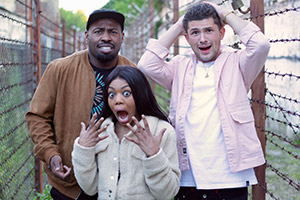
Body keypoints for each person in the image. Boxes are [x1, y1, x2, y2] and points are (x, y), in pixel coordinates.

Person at [138, 1, 270, 200]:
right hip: (188, 177)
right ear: (186, 37)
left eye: (209, 30)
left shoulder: (238, 63)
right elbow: (147, 64)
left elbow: (260, 44)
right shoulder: (178, 66)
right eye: (195, 32)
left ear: (222, 33)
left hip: (230, 177)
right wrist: (179, 24)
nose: (203, 39)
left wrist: (226, 14)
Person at [26, 9, 136, 199]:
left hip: (118, 184)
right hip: (71, 182)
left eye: (113, 32)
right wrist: (51, 154)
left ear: (122, 37)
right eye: (98, 31)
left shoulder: (133, 73)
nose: (106, 37)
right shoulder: (60, 69)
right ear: (87, 36)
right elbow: (38, 117)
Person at [71, 66, 181, 200]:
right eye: (111, 94)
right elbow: (90, 188)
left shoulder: (162, 131)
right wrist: (83, 149)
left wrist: (154, 155)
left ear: (140, 94)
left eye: (126, 93)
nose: (117, 100)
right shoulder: (101, 131)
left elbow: (167, 193)